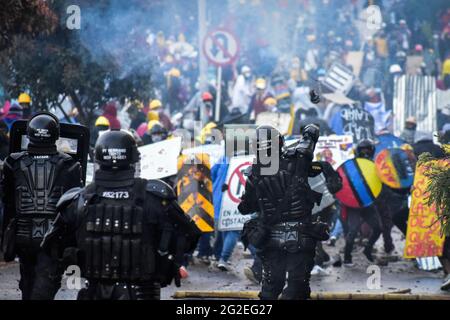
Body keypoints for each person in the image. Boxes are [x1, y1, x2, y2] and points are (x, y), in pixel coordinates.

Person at [41, 129, 201, 300]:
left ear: (99, 160)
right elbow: (189, 235)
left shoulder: (79, 199)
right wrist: (164, 258)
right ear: (134, 159)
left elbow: (51, 246)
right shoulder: (155, 197)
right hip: (142, 293)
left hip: (95, 292)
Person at [239, 124, 328, 300]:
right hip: (300, 235)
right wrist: (308, 130)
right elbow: (310, 138)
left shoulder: (253, 173)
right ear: (279, 143)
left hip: (271, 236)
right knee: (297, 286)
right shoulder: (297, 161)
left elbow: (246, 207)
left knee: (271, 288)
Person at [1, 112, 83, 300]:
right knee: (41, 289)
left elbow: (8, 201)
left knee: (28, 286)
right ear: (55, 135)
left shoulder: (13, 162)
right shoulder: (70, 164)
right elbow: (72, 207)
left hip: (23, 239)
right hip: (53, 239)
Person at [342, 139, 382, 266]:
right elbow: (344, 181)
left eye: (367, 149)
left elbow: (378, 184)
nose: (365, 152)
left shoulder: (374, 167)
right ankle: (347, 257)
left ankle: (368, 250)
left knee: (377, 228)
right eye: (363, 149)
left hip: (367, 203)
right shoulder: (351, 166)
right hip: (353, 204)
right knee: (353, 230)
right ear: (358, 151)